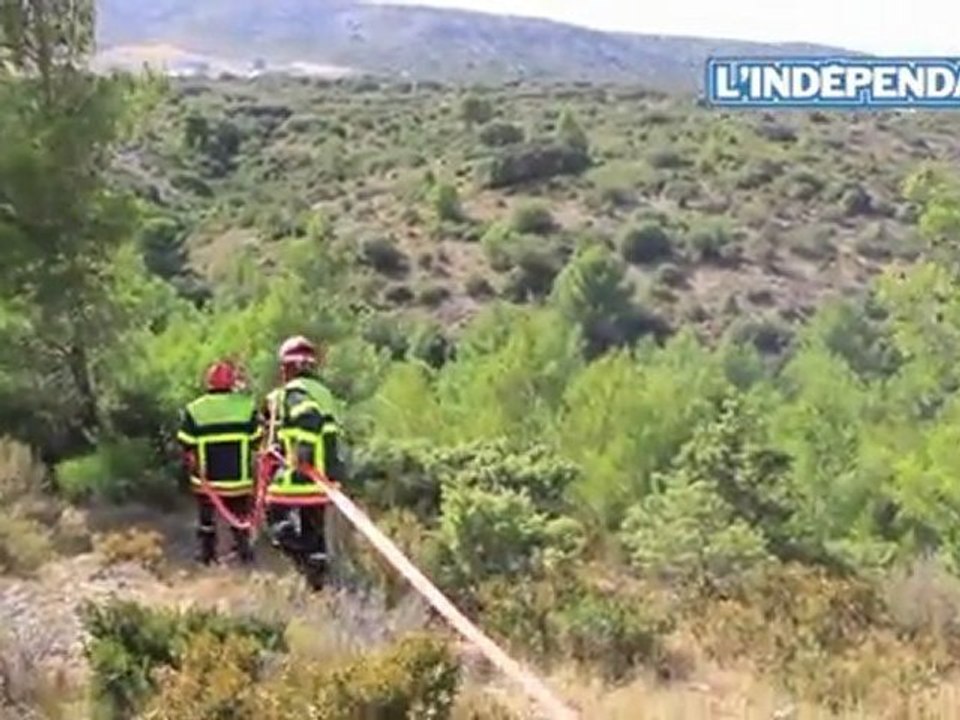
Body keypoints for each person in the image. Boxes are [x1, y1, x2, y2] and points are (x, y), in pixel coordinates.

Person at [262, 335, 346, 589]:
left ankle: (305, 563)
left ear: (288, 367)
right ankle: (318, 582)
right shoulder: (322, 392)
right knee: (314, 528)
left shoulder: (294, 392)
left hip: (302, 474)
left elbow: (308, 418)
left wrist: (302, 454)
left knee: (275, 513)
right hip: (326, 477)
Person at [177, 360, 261, 566]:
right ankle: (245, 557)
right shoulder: (246, 406)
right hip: (239, 481)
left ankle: (207, 557)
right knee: (240, 520)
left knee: (207, 521)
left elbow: (186, 444)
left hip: (207, 482)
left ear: (208, 382)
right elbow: (257, 441)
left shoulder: (194, 409)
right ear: (231, 382)